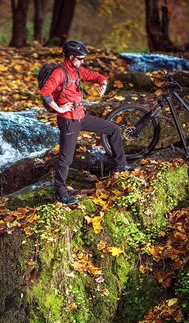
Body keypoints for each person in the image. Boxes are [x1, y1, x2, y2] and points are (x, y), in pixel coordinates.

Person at [40, 40, 138, 205]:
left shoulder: (76, 71)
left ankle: (121, 165)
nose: (82, 61)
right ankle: (60, 194)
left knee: (113, 129)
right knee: (66, 159)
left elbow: (97, 76)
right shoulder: (59, 72)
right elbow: (45, 92)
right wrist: (59, 108)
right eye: (80, 58)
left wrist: (103, 84)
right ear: (71, 57)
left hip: (82, 117)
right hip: (68, 121)